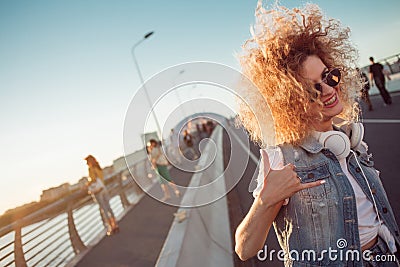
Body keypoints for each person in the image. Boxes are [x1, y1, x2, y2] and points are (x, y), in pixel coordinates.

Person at [235, 3, 399, 266]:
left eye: (329, 77)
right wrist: (266, 200)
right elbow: (245, 248)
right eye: (312, 89)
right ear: (291, 101)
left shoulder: (350, 142)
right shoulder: (282, 158)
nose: (328, 91)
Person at [85, 155, 119, 236]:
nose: (86, 163)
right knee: (108, 207)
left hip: (98, 191)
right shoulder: (98, 167)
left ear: (90, 161)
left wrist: (87, 185)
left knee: (104, 210)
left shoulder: (91, 169)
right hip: (103, 188)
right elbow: (100, 178)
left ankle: (111, 227)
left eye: (87, 161)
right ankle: (115, 225)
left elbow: (93, 179)